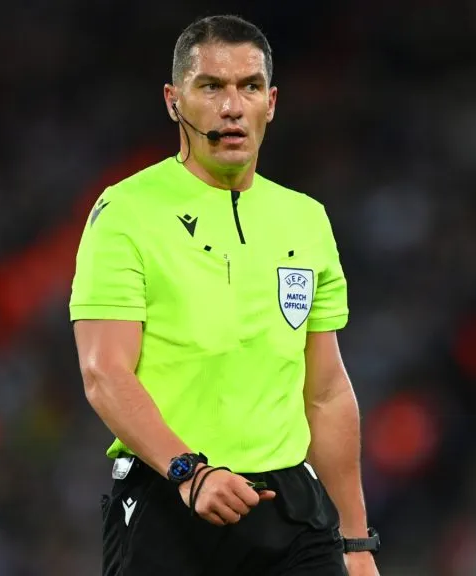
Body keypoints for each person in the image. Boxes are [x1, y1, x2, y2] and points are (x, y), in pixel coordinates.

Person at [70, 14, 380, 576]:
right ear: (173, 100)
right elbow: (104, 373)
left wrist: (356, 545)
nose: (232, 106)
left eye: (250, 86)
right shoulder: (125, 213)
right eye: (211, 86)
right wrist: (190, 472)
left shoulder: (306, 220)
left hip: (290, 512)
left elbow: (327, 392)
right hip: (169, 498)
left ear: (272, 102)